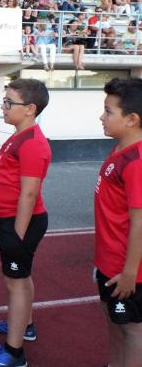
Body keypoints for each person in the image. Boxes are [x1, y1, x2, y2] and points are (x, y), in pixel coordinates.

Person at [0, 79, 51, 367]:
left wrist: (16, 236)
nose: (3, 107)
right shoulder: (19, 136)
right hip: (10, 220)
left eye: (9, 102)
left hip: (20, 223)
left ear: (30, 109)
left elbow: (29, 193)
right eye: (4, 101)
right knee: (20, 278)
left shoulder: (32, 142)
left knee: (15, 282)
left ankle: (14, 352)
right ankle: (25, 324)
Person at [95, 77, 142, 367]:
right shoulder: (119, 151)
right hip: (108, 261)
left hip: (128, 271)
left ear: (132, 119)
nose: (102, 116)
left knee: (132, 329)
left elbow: (140, 222)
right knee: (115, 322)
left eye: (109, 111)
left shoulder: (136, 162)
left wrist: (129, 272)